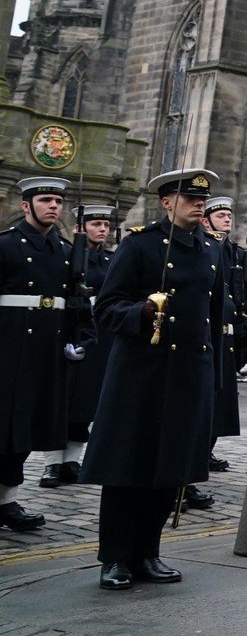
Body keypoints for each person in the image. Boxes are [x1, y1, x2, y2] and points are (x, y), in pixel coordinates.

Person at [80, 169, 220, 590]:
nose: (200, 205)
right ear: (167, 202)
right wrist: (139, 313)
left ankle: (149, 552)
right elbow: (106, 306)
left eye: (203, 199)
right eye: (190, 198)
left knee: (170, 465)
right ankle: (116, 557)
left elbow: (213, 314)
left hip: (188, 371)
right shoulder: (140, 244)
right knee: (129, 464)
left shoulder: (211, 249)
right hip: (142, 371)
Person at [1, 176, 76, 533]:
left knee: (28, 429)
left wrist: (83, 339)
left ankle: (6, 499)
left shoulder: (64, 250)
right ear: (25, 205)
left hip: (48, 350)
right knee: (5, 428)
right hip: (9, 349)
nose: (54, 207)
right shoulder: (6, 245)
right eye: (46, 200)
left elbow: (77, 301)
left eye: (58, 202)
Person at [41, 202, 114, 489]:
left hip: (100, 337)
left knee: (86, 403)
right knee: (61, 402)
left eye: (106, 225)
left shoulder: (110, 261)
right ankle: (51, 464)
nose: (103, 230)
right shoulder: (68, 256)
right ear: (79, 229)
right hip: (71, 331)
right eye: (97, 225)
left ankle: (72, 461)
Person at [203, 196, 247, 484]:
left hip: (228, 335)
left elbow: (244, 295)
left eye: (228, 216)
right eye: (220, 215)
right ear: (206, 220)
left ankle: (208, 450)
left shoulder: (234, 252)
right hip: (208, 333)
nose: (227, 219)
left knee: (221, 401)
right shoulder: (208, 248)